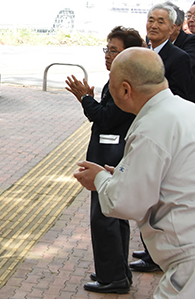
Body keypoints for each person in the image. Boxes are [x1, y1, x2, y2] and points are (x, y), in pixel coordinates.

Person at [74, 47, 195, 299]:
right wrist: (120, 175)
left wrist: (99, 179)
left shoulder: (152, 127)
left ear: (126, 89)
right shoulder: (185, 110)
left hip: (187, 258)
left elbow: (127, 202)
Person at [65, 26, 144, 294]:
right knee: (113, 215)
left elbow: (106, 119)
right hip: (110, 155)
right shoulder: (121, 78)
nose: (108, 55)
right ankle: (116, 271)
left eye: (114, 50)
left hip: (110, 158)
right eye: (107, 49)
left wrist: (84, 98)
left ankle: (113, 278)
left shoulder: (125, 82)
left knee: (105, 217)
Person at [130, 2, 193, 272]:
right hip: (137, 128)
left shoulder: (178, 58)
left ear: (173, 28)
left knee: (158, 193)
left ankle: (158, 254)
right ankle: (149, 249)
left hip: (162, 135)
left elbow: (182, 95)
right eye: (150, 19)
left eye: (160, 22)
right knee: (144, 192)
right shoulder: (140, 53)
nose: (153, 25)